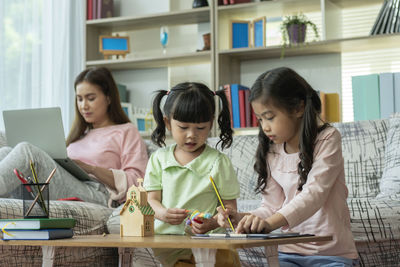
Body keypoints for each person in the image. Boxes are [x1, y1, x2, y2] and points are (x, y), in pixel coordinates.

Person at [216, 67, 358, 266]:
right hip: (287, 254)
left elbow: (314, 195)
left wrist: (269, 224)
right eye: (260, 119)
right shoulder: (271, 150)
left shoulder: (327, 138)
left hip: (330, 254)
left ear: (298, 108)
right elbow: (270, 207)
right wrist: (241, 218)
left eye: (270, 117)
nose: (264, 127)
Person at [0, 67, 148, 207]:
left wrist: (91, 169)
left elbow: (137, 181)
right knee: (6, 151)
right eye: (79, 99)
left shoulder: (126, 131)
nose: (84, 106)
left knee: (27, 152)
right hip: (66, 183)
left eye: (90, 98)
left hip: (99, 193)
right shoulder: (77, 136)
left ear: (108, 98)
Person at [144, 82, 240, 266]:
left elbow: (229, 208)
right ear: (167, 123)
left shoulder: (218, 162)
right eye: (183, 127)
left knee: (226, 260)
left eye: (200, 128)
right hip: (168, 242)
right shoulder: (158, 159)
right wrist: (163, 213)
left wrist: (213, 222)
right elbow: (150, 200)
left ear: (211, 123)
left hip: (210, 241)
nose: (191, 135)